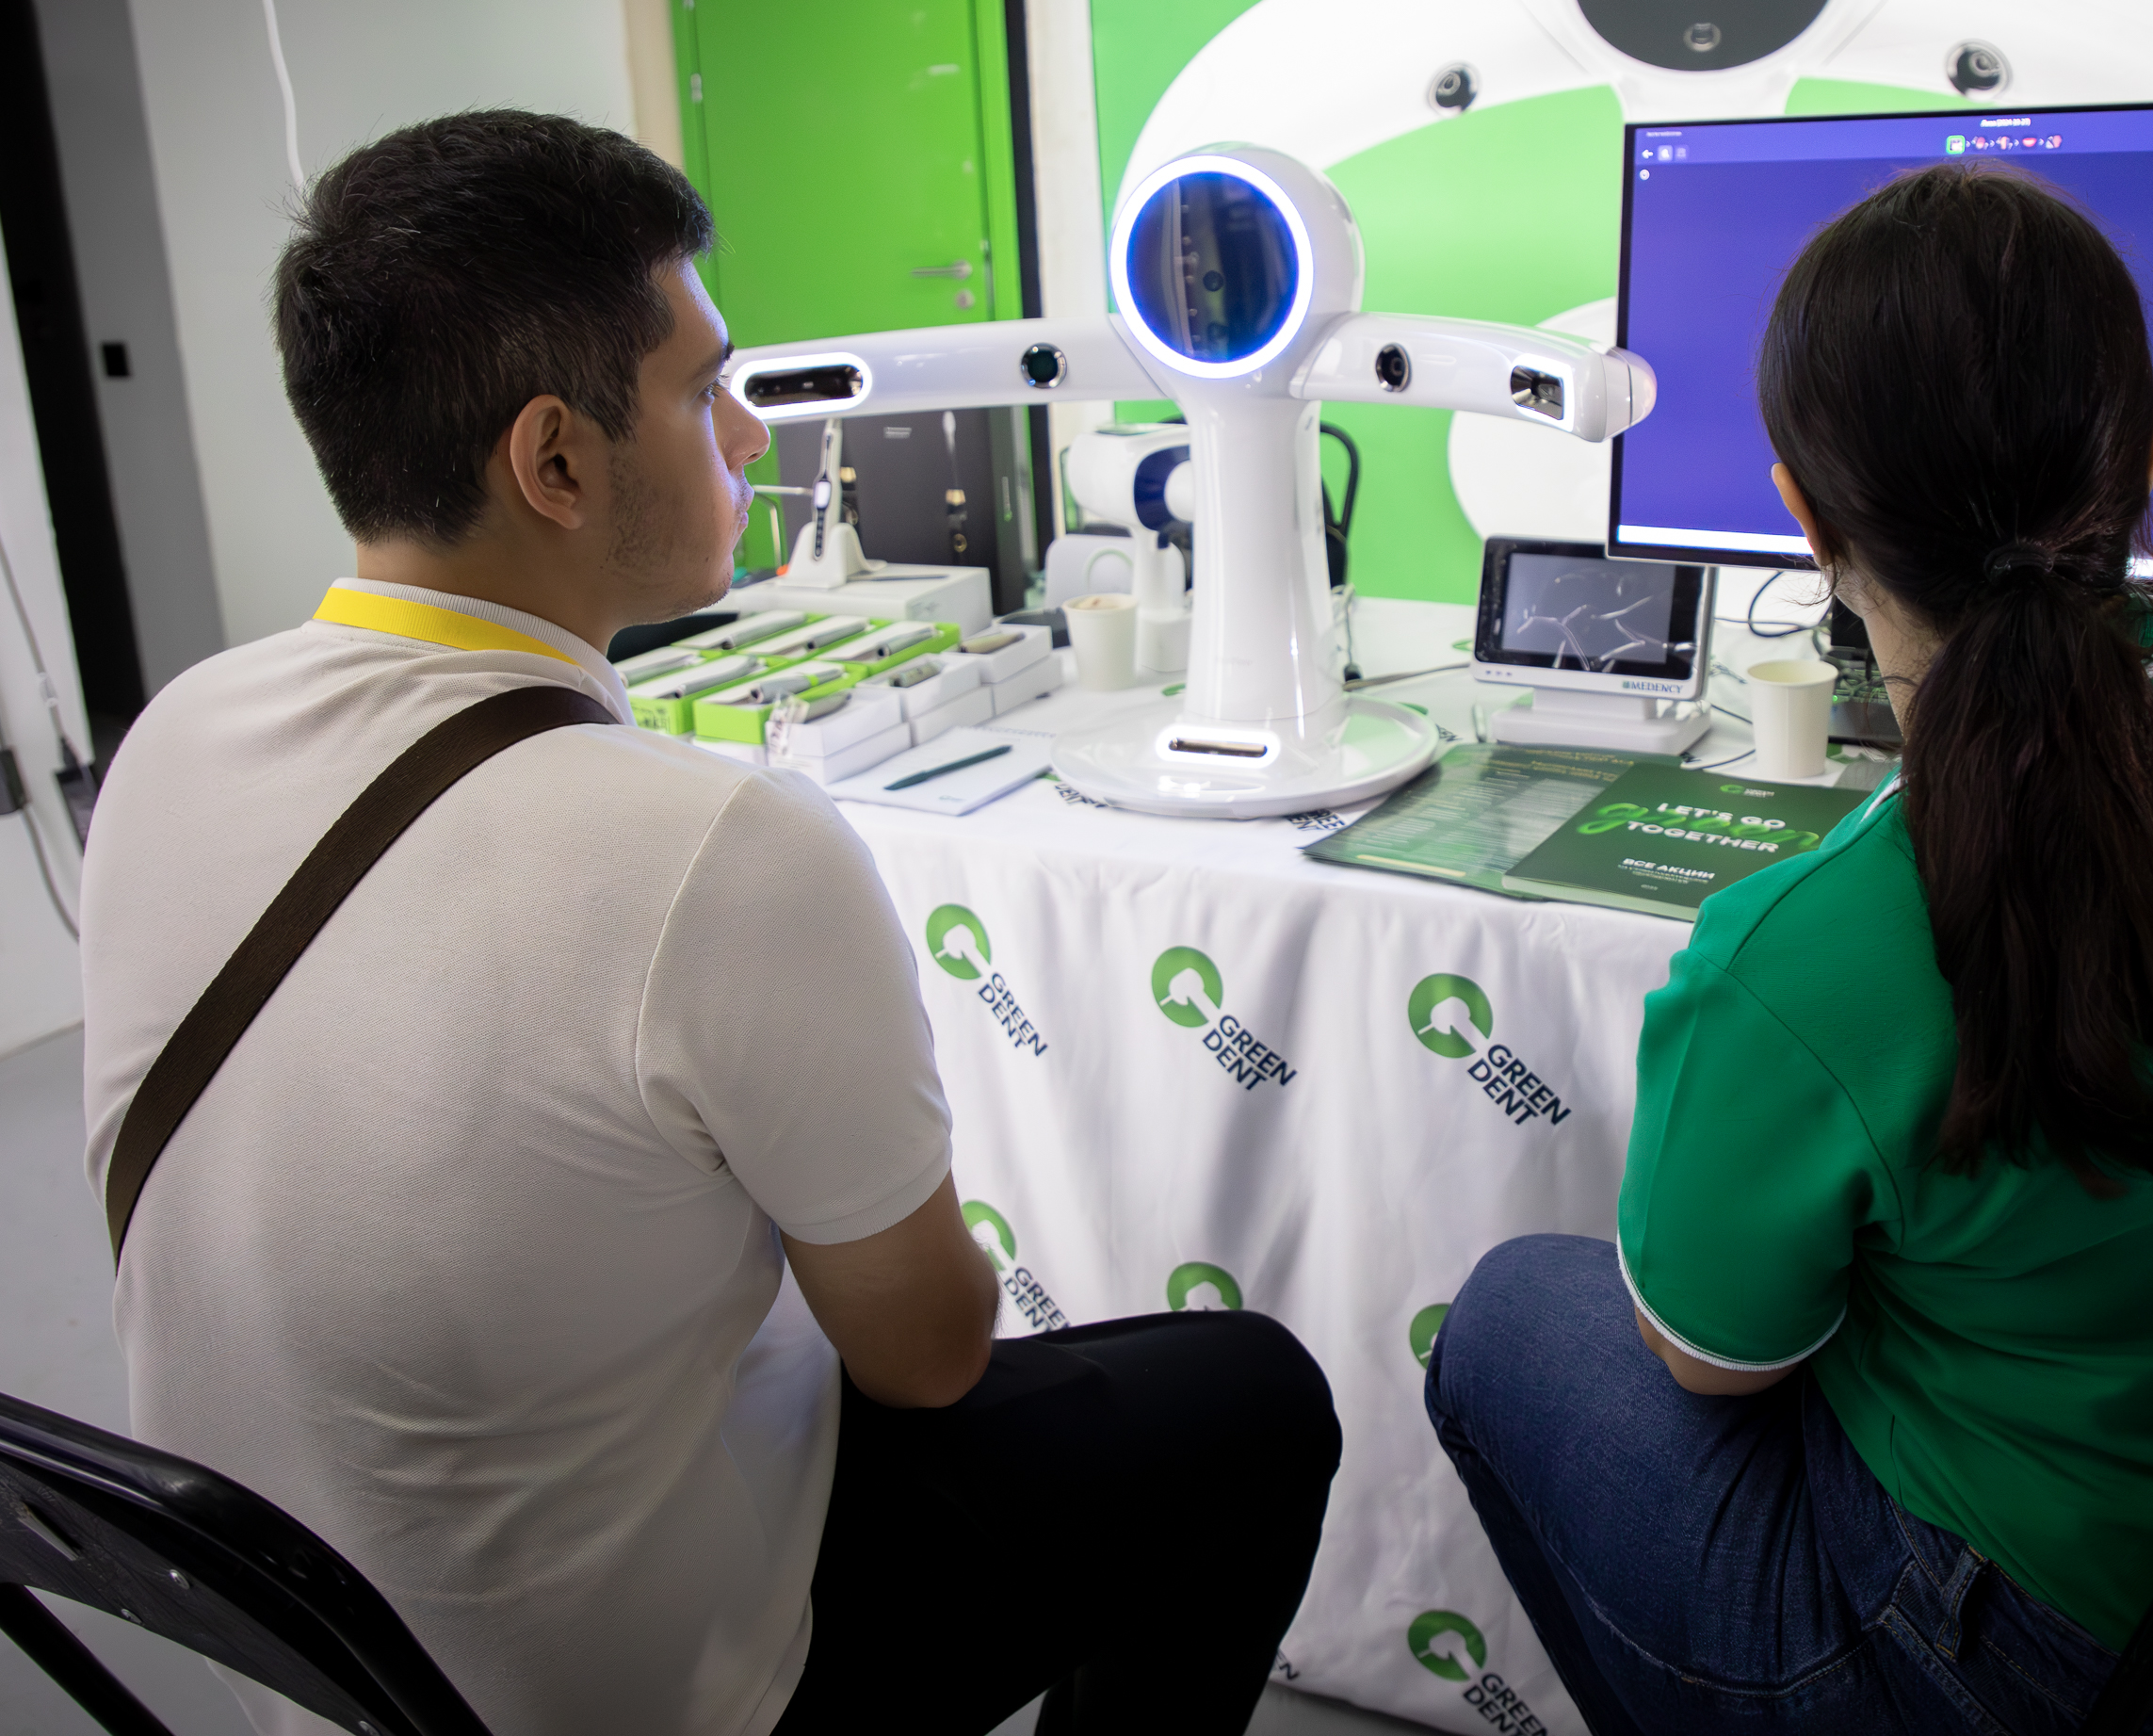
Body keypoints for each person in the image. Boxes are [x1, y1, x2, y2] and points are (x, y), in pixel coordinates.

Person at [81, 111, 1338, 1736]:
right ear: (553, 462)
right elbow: (928, 1358)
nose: (749, 430)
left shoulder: (172, 736)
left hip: (300, 1660)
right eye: (703, 388)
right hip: (641, 1691)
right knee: (1246, 1400)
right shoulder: (715, 844)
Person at [1424, 163, 2153, 1735]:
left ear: (1804, 515)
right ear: (2150, 457)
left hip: (2086, 1675)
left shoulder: (1802, 950)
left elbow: (1714, 1365)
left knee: (1510, 1319)